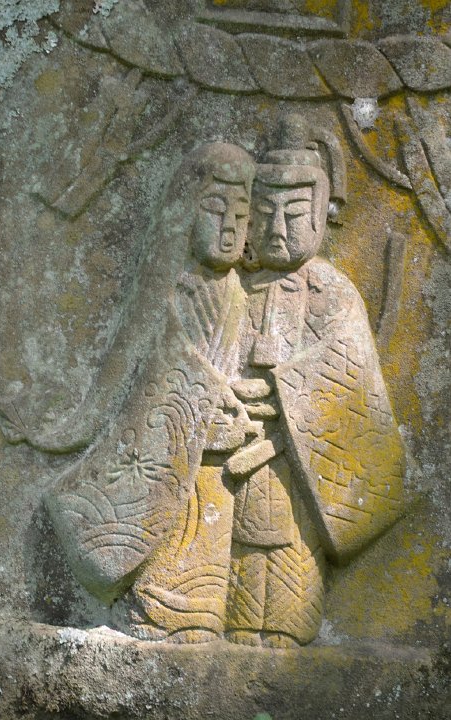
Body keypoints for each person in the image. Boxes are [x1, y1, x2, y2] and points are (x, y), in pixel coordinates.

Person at [42, 142, 258, 642]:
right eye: (215, 208)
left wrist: (236, 403)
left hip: (213, 483)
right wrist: (60, 433)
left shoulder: (239, 295)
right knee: (158, 614)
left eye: (241, 213)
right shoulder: (168, 289)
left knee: (201, 614)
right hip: (159, 469)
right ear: (185, 211)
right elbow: (121, 379)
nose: (229, 226)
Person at [222, 115, 405, 647]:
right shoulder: (234, 288)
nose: (278, 229)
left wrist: (287, 400)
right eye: (264, 214)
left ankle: (286, 633)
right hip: (234, 458)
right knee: (234, 559)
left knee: (290, 561)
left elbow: (351, 386)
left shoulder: (332, 291)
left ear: (321, 216)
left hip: (302, 467)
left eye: (295, 214)